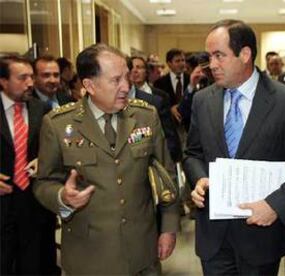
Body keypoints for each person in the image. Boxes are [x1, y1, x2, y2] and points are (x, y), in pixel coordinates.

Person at [183, 19, 285, 275]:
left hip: (262, 238)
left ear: (245, 54)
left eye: (219, 56)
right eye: (209, 56)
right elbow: (193, 153)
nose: (211, 65)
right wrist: (200, 178)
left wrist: (276, 206)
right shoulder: (202, 100)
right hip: (214, 239)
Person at [34, 43, 180, 275]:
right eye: (115, 80)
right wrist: (62, 197)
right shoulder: (58, 125)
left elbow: (167, 175)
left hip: (141, 252)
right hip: (89, 256)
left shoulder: (145, 116)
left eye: (126, 77)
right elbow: (43, 182)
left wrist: (169, 228)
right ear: (89, 85)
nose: (125, 87)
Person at [0, 56, 60, 275]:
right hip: (3, 203)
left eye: (31, 77)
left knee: (37, 263)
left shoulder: (41, 109)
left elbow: (53, 149)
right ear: (3, 81)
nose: (30, 83)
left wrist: (42, 159)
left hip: (35, 202)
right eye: (22, 78)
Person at [128, 55, 182, 162]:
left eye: (139, 67)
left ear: (146, 71)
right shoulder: (119, 99)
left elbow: (168, 134)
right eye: (132, 68)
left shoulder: (158, 98)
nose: (135, 71)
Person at [154, 48, 190, 123]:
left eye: (183, 60)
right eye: (177, 61)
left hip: (189, 124)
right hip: (169, 124)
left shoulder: (191, 80)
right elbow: (158, 105)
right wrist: (170, 109)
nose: (181, 64)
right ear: (169, 63)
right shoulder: (159, 83)